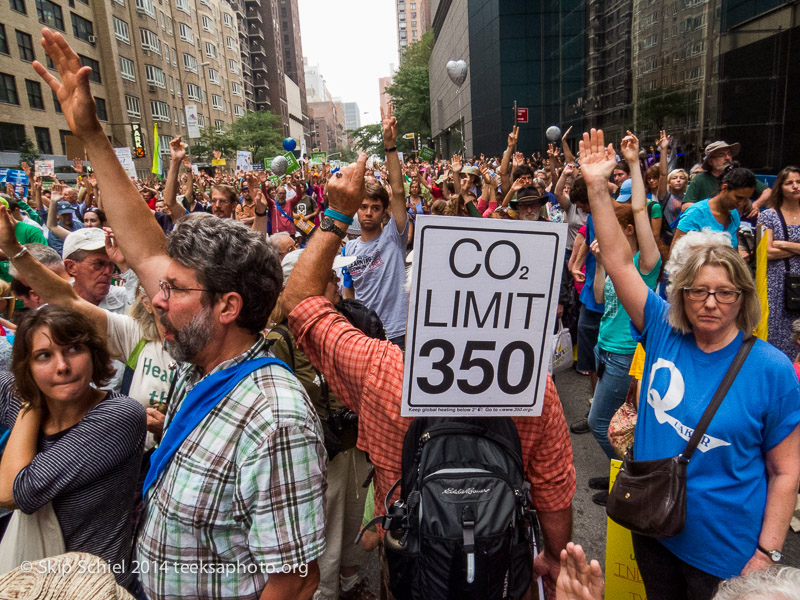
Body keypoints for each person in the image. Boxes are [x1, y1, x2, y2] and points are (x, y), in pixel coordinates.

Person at [35, 27, 325, 599]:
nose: (156, 298)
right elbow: (144, 247)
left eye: (175, 290)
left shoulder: (275, 419)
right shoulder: (203, 360)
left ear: (227, 307)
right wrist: (91, 133)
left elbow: (293, 581)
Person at [282, 153, 576, 598]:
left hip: (410, 565)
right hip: (499, 568)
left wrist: (337, 213)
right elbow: (553, 491)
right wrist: (553, 560)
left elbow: (300, 303)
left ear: (417, 302)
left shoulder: (382, 371)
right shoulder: (531, 384)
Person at [580, 128, 800, 599]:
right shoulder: (663, 329)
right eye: (698, 290)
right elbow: (620, 263)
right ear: (681, 295)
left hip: (728, 559)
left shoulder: (772, 369)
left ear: (743, 298)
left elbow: (786, 471)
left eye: (725, 292)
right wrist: (598, 187)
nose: (711, 302)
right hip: (654, 529)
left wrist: (768, 553)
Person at [0, 305, 146, 593]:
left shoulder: (119, 415)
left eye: (74, 349)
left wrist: (31, 398)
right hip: (30, 584)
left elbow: (12, 492)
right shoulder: (16, 396)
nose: (62, 366)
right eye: (43, 356)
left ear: (94, 354)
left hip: (93, 588)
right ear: (25, 368)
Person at [586, 132, 662, 505]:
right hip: (605, 349)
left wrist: (633, 163)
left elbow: (639, 211)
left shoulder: (645, 265)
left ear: (627, 232)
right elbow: (600, 299)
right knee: (619, 423)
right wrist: (600, 265)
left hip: (624, 355)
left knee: (600, 424)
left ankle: (635, 483)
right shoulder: (616, 265)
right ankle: (621, 474)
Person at [343, 106, 409, 350]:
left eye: (375, 207)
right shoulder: (348, 250)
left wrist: (389, 145)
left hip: (398, 333)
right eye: (363, 207)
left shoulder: (394, 237)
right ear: (356, 211)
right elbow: (348, 293)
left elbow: (399, 191)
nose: (368, 212)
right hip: (366, 336)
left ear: (384, 211)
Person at [757, 167, 800, 358]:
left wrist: (784, 244)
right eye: (789, 183)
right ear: (780, 187)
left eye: (798, 182)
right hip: (776, 283)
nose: (795, 186)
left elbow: (776, 247)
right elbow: (767, 252)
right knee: (775, 332)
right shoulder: (769, 215)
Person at [672, 167, 757, 251]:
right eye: (738, 198)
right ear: (724, 188)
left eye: (746, 199)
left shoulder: (734, 214)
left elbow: (734, 252)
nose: (741, 204)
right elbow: (674, 255)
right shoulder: (696, 213)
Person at [683, 141, 770, 216]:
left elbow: (768, 192)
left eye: (729, 154)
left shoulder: (740, 176)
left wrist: (756, 204)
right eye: (721, 155)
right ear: (710, 161)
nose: (727, 158)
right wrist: (711, 211)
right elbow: (686, 206)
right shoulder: (700, 179)